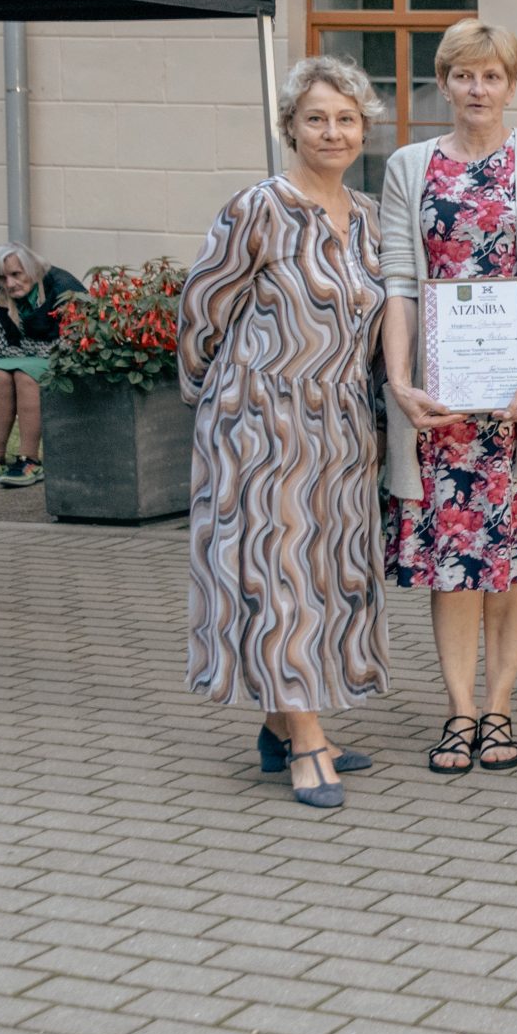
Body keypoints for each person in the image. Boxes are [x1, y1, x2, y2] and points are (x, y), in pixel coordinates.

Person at [380, 18, 517, 778]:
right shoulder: (408, 166)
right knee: (452, 564)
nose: (478, 88)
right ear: (444, 82)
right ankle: (459, 710)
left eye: (492, 75)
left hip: (516, 403)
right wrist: (400, 384)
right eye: (464, 75)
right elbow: (399, 281)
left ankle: (499, 706)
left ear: (511, 84)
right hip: (440, 408)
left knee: (512, 562)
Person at [178, 57, 387, 809]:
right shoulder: (258, 208)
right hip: (261, 427)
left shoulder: (368, 216)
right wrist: (217, 403)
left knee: (327, 579)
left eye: (346, 119)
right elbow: (201, 310)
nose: (332, 132)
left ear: (363, 130)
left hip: (342, 428)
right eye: (316, 118)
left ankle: (278, 723)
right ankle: (306, 740)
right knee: (281, 579)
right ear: (290, 127)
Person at [0, 242, 86, 490]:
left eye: (16, 274)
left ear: (31, 269)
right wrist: (33, 351)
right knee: (0, 374)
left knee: (24, 374)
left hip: (66, 359)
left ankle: (30, 460)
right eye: (2, 277)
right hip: (23, 356)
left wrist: (28, 351)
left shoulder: (62, 286)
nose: (9, 284)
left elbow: (70, 342)